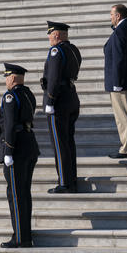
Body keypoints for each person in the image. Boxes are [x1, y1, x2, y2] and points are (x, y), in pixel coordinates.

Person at [0, 63, 39, 249]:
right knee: (24, 194)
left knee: (16, 195)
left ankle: (21, 238)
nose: (6, 80)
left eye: (6, 77)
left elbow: (10, 125)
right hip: (30, 146)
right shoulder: (28, 93)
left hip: (17, 149)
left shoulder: (10, 96)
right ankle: (25, 233)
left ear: (12, 78)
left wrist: (8, 151)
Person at [42, 21, 82, 193]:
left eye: (50, 35)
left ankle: (65, 182)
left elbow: (54, 78)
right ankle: (71, 178)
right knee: (68, 142)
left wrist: (50, 100)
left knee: (59, 143)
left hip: (59, 100)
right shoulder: (74, 49)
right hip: (71, 96)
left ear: (56, 35)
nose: (50, 39)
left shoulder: (56, 50)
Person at [104, 4, 127, 159]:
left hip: (121, 81)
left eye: (112, 15)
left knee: (123, 117)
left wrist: (117, 82)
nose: (110, 18)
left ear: (118, 16)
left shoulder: (120, 31)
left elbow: (119, 58)